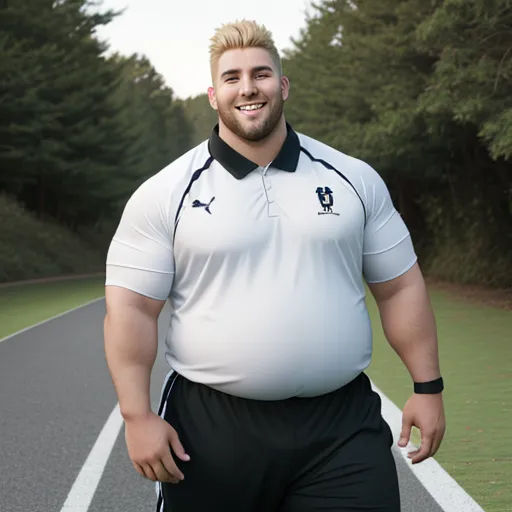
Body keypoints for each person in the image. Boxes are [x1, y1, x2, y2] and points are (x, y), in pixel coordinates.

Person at [103, 19, 446, 512]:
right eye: (232, 77)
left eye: (261, 74)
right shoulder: (165, 193)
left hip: (341, 426)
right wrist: (137, 416)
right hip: (212, 428)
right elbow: (132, 309)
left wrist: (427, 387)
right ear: (213, 94)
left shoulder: (354, 178)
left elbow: (400, 287)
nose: (248, 88)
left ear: (282, 85)